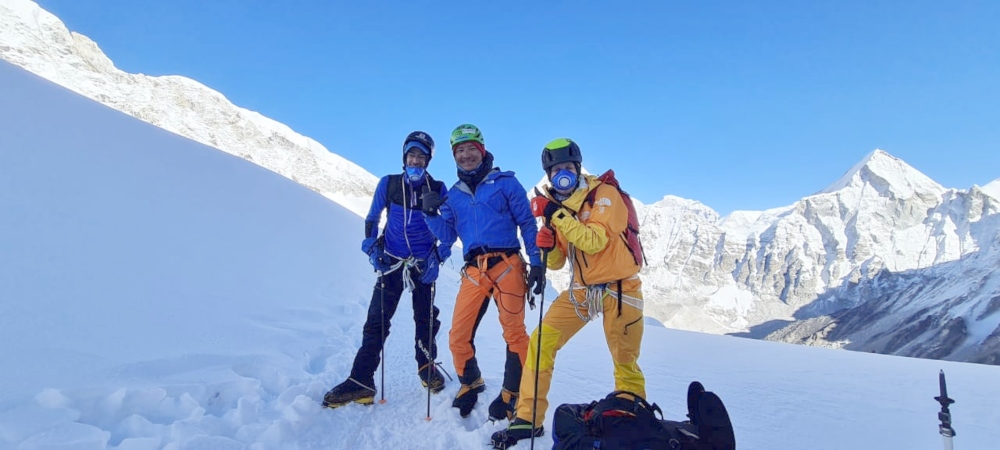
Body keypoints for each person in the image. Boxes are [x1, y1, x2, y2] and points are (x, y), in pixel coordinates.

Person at [491, 138, 646, 447]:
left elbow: (595, 242)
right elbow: (561, 260)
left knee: (624, 360)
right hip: (581, 290)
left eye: (567, 168)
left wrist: (555, 215)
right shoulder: (556, 207)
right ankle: (527, 418)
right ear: (548, 175)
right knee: (541, 341)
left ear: (577, 169)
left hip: (619, 288)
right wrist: (547, 242)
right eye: (555, 170)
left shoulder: (605, 195)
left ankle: (634, 423)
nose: (562, 174)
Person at [420, 124, 545, 419]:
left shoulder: (505, 183)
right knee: (458, 334)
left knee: (515, 332)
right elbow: (448, 236)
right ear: (454, 156)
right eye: (459, 151)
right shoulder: (453, 195)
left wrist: (537, 261)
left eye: (471, 149)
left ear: (482, 150)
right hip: (475, 269)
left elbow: (527, 223)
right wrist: (430, 215)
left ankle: (513, 392)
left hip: (508, 264)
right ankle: (471, 382)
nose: (466, 156)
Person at [323, 131, 451, 408]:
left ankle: (426, 367)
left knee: (426, 320)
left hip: (422, 264)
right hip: (391, 261)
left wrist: (439, 255)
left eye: (422, 156)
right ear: (404, 157)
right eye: (412, 154)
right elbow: (373, 218)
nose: (416, 160)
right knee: (376, 322)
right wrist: (372, 248)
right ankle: (361, 380)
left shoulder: (438, 189)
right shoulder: (389, 184)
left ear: (428, 160)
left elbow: (450, 229)